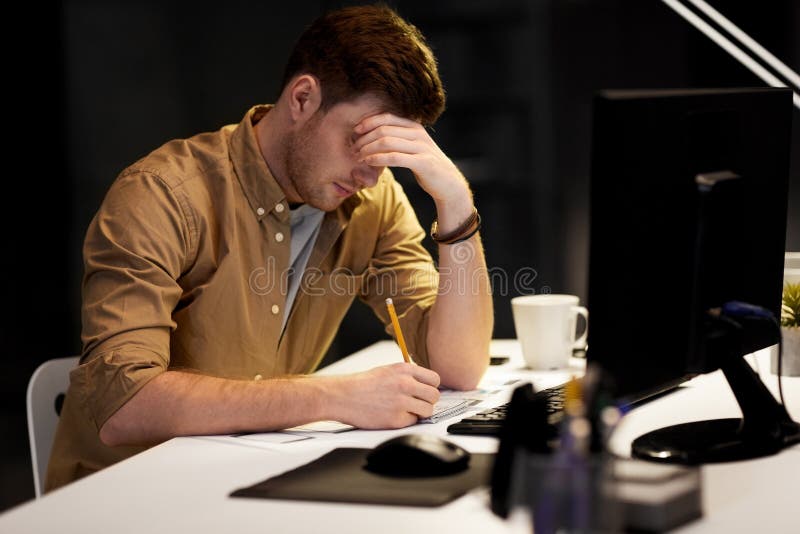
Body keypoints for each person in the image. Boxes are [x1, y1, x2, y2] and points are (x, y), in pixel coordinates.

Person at [46, 4, 493, 491]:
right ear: (302, 98)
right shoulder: (162, 194)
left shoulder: (371, 200)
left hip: (248, 478)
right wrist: (333, 397)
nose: (373, 173)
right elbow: (123, 405)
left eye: (390, 150)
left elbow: (458, 367)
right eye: (360, 140)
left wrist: (453, 200)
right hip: (125, 495)